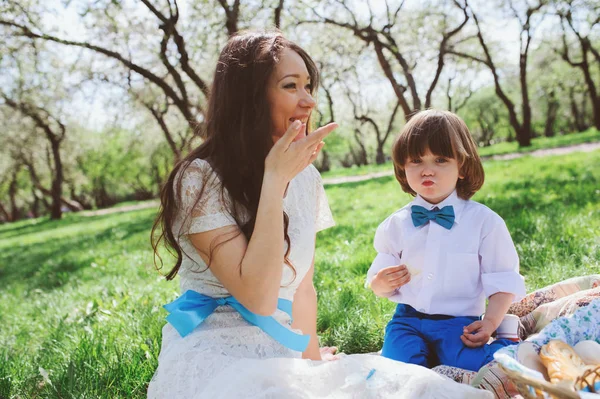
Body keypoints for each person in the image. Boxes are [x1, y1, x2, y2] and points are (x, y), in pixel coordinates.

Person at [148, 31, 490, 398]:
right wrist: (275, 180)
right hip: (216, 354)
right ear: (249, 97)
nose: (309, 101)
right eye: (291, 86)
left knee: (421, 388)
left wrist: (310, 361)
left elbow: (302, 288)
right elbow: (258, 298)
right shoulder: (199, 179)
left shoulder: (306, 177)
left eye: (308, 85)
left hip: (283, 349)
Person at [366, 110, 527, 372]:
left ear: (462, 167)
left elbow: (502, 279)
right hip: (407, 321)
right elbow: (379, 282)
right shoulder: (396, 225)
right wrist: (380, 284)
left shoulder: (485, 223)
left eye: (440, 159)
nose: (427, 170)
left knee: (480, 367)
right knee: (398, 369)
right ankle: (420, 359)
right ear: (402, 167)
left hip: (459, 324)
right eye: (416, 160)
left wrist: (490, 323)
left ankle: (506, 340)